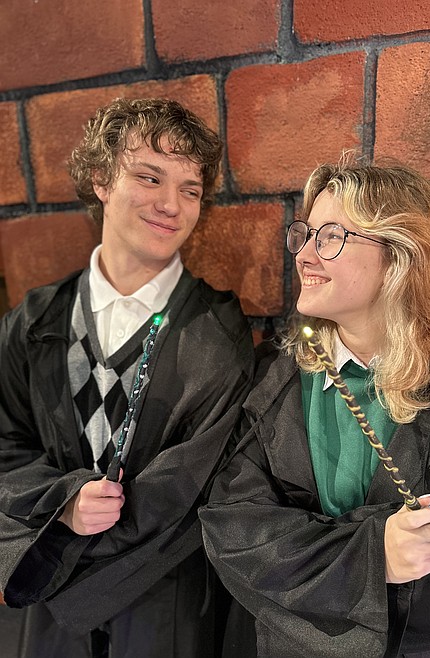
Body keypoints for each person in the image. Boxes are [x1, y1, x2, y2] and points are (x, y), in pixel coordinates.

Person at [199, 155, 430, 657]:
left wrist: (304, 557)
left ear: (401, 254)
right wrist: (374, 556)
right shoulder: (278, 375)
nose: (304, 255)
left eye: (331, 236)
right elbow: (233, 530)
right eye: (305, 235)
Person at [0, 97, 254, 658]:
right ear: (101, 179)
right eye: (149, 177)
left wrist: (69, 536)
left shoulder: (216, 333)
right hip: (47, 602)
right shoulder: (36, 321)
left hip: (162, 603)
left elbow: (191, 485)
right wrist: (63, 503)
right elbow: (5, 444)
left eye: (190, 189)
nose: (171, 205)